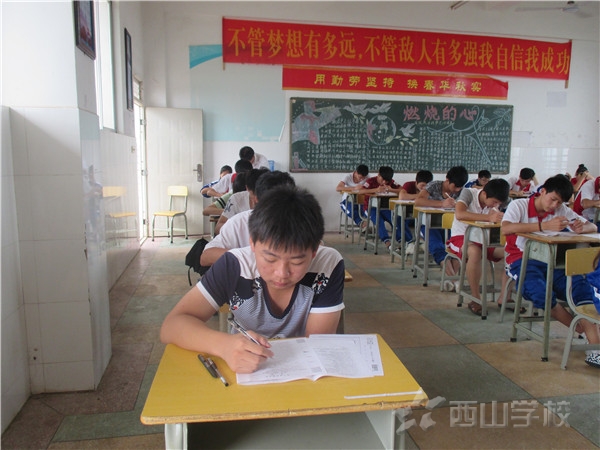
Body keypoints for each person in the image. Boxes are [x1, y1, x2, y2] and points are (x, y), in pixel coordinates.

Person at [161, 186, 345, 374]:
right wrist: (224, 345)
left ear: (314, 251)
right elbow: (172, 325)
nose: (281, 273)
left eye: (297, 261)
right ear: (252, 244)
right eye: (270, 259)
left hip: (301, 370)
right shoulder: (234, 265)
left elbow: (315, 344)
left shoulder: (328, 265)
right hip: (243, 368)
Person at [501, 174, 600, 368]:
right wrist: (543, 226)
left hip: (553, 263)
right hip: (522, 261)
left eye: (560, 202)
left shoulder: (562, 210)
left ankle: (594, 348)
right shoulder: (519, 205)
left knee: (581, 288)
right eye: (552, 199)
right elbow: (506, 228)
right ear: (543, 191)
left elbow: (592, 226)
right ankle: (582, 331)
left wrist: (582, 227)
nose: (555, 206)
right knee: (541, 292)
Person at [201, 170, 296, 267]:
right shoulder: (240, 222)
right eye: (272, 206)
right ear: (256, 200)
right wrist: (253, 257)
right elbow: (206, 257)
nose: (279, 213)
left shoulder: (301, 224)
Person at [446, 179, 510, 314]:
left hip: (485, 239)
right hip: (461, 237)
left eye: (499, 203)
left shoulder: (501, 200)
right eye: (494, 202)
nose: (496, 205)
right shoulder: (469, 193)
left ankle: (505, 297)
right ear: (484, 194)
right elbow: (460, 214)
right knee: (475, 252)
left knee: (512, 252)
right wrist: (489, 218)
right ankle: (475, 298)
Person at [414, 165, 469, 274]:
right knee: (437, 246)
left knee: (460, 248)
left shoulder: (462, 191)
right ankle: (452, 278)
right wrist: (441, 204)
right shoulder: (434, 186)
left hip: (451, 226)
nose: (457, 190)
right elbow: (418, 201)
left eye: (460, 187)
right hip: (429, 224)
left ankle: (451, 278)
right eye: (455, 187)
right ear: (447, 180)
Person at [358, 166, 404, 250]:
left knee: (395, 219)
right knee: (379, 220)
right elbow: (361, 191)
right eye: (382, 180)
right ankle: (387, 242)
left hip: (385, 208)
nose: (384, 182)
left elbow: (402, 190)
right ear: (378, 175)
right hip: (370, 208)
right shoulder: (370, 181)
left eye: (387, 181)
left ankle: (401, 240)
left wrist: (391, 190)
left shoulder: (391, 182)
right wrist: (376, 190)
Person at [214, 168, 269, 235]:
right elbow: (218, 228)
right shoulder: (236, 199)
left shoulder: (273, 201)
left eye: (261, 195)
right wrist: (239, 229)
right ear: (247, 188)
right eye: (254, 194)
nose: (256, 199)